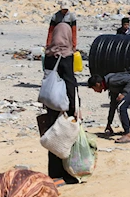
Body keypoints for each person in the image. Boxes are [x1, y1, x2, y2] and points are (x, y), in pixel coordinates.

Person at [44, 23, 78, 184]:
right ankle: (67, 174)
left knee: (53, 137)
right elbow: (70, 81)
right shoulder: (66, 55)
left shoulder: (49, 55)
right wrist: (74, 106)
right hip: (64, 104)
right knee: (66, 138)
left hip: (51, 103)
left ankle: (53, 173)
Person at [88, 70, 130, 143]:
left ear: (97, 84)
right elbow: (113, 105)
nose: (95, 91)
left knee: (121, 107)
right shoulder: (110, 85)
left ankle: (127, 135)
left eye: (94, 88)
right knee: (120, 106)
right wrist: (109, 124)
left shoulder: (112, 81)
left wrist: (124, 93)